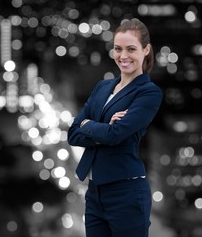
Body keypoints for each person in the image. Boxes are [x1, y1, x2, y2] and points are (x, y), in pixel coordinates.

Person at [67, 18, 163, 237]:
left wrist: (88, 124)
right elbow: (73, 134)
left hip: (126, 192)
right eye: (118, 49)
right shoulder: (102, 87)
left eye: (131, 49)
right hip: (94, 192)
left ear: (146, 50)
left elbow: (115, 134)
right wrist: (98, 128)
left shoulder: (148, 92)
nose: (123, 56)